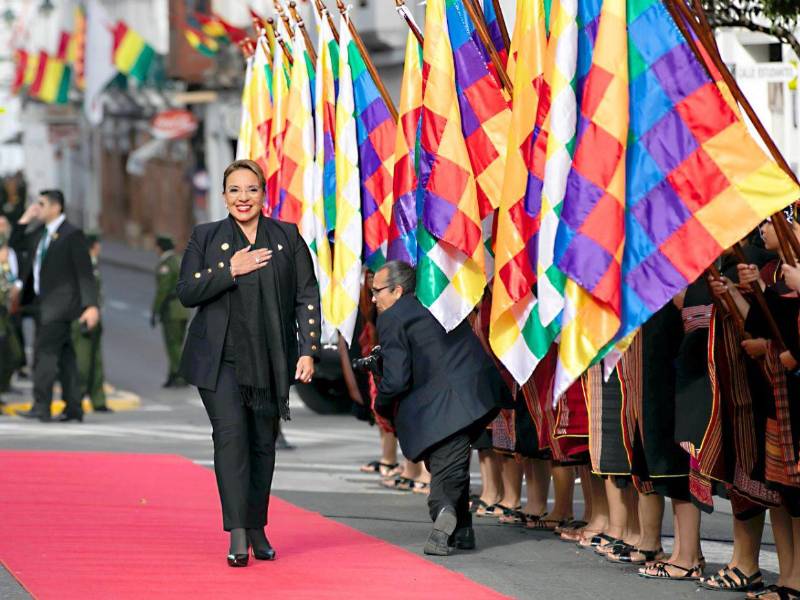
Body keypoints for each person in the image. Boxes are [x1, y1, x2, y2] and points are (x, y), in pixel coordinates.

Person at [177, 159, 320, 567]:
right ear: (224, 196)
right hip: (219, 360)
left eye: (251, 189)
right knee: (231, 439)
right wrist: (229, 269)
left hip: (270, 361)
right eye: (235, 190)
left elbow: (306, 295)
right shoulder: (206, 237)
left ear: (263, 194)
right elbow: (187, 291)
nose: (243, 198)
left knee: (262, 444)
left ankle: (258, 526)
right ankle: (238, 531)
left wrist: (307, 349)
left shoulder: (286, 236)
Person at [373, 260, 501, 556]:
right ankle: (464, 530)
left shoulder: (392, 317)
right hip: (476, 391)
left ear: (397, 290)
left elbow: (396, 379)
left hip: (445, 402)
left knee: (445, 466)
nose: (373, 298)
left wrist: (381, 404)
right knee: (452, 460)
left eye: (377, 291)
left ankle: (443, 513)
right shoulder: (436, 303)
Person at [16, 190, 99, 422]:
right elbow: (17, 243)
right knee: (65, 358)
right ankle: (74, 408)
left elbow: (85, 272)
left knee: (45, 355)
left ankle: (41, 406)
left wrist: (91, 305)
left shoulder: (72, 234)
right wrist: (25, 219)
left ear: (56, 207)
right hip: (41, 304)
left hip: (60, 306)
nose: (37, 208)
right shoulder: (42, 233)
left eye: (41, 204)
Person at [71, 232, 110, 412]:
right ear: (93, 246)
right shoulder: (83, 265)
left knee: (96, 361)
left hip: (96, 318)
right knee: (83, 363)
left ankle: (98, 399)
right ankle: (75, 400)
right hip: (84, 318)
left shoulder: (92, 264)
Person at [151, 234, 189, 387]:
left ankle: (180, 375)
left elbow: (163, 290)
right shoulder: (180, 260)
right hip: (183, 309)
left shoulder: (166, 265)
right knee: (178, 344)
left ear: (160, 247)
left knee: (172, 345)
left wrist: (155, 310)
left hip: (171, 310)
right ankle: (173, 374)